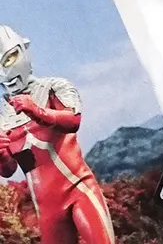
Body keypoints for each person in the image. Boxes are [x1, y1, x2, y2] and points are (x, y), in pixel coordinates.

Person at [0, 25, 115, 244]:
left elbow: (72, 121)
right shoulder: (3, 117)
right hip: (46, 208)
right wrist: (2, 154)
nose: (5, 72)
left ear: (23, 50)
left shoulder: (54, 87)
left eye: (8, 59)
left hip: (79, 188)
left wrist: (36, 110)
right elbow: (8, 169)